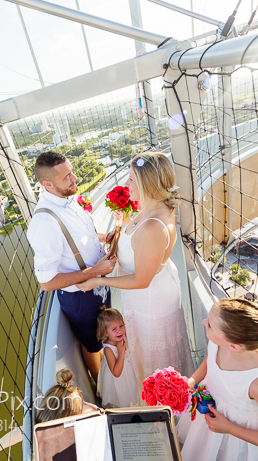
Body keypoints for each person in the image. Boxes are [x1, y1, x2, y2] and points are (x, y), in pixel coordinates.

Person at [77, 152, 193, 379]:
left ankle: (164, 394)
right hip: (153, 289)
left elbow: (141, 279)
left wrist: (97, 280)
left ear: (146, 183)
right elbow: (144, 246)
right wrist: (125, 225)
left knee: (156, 353)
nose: (126, 184)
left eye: (131, 179)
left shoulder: (152, 226)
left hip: (150, 299)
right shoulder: (157, 207)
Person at [27, 151, 116, 379]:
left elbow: (82, 235)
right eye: (66, 176)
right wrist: (94, 271)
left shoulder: (68, 200)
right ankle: (100, 384)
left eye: (72, 171)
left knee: (105, 330)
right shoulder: (44, 222)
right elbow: (46, 283)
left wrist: (105, 238)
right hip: (80, 298)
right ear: (48, 184)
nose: (74, 178)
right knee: (92, 344)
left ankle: (111, 370)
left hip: (97, 284)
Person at [178, 298, 258, 460]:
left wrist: (229, 428)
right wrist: (194, 379)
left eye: (209, 325)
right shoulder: (220, 342)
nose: (204, 322)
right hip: (209, 424)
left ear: (234, 346)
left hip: (236, 443)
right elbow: (211, 359)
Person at [96, 308, 141, 408]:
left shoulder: (122, 336)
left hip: (127, 375)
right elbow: (116, 373)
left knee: (130, 394)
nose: (119, 330)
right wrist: (121, 353)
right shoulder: (108, 350)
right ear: (106, 333)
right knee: (121, 399)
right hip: (118, 381)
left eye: (121, 326)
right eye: (114, 329)